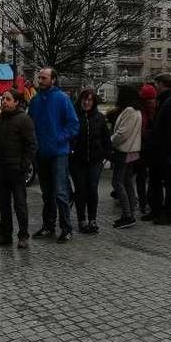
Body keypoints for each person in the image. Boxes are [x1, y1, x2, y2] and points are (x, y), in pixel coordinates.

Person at [28, 68, 79, 243]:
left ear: (53, 80)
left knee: (60, 193)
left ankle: (66, 228)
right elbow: (31, 126)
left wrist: (59, 138)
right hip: (41, 154)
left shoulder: (62, 99)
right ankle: (48, 226)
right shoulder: (34, 101)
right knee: (47, 193)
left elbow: (73, 125)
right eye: (39, 77)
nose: (40, 80)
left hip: (58, 153)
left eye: (44, 78)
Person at [0, 90, 37, 248]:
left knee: (20, 204)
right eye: (3, 99)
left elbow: (31, 145)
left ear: (16, 102)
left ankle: (23, 235)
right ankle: (5, 234)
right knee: (3, 205)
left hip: (16, 171)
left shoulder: (24, 119)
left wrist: (23, 165)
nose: (4, 101)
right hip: (1, 170)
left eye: (8, 99)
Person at [143, 73, 171, 226]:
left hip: (166, 152)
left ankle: (169, 214)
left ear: (162, 84)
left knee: (169, 184)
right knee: (155, 182)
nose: (155, 87)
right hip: (160, 150)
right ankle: (156, 210)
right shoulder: (165, 101)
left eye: (157, 84)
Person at [70, 88, 111, 234]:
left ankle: (92, 219)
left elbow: (106, 138)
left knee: (92, 189)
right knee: (80, 190)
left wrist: (105, 155)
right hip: (77, 161)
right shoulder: (74, 116)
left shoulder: (99, 117)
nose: (86, 102)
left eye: (90, 100)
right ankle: (82, 219)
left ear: (94, 102)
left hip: (95, 160)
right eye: (84, 99)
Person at [110, 85, 143, 229]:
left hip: (124, 150)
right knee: (128, 181)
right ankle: (130, 212)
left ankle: (127, 214)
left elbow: (122, 133)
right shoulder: (137, 111)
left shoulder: (129, 111)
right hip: (133, 150)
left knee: (118, 182)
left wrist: (110, 141)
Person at [136, 84, 158, 214]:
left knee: (141, 177)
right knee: (151, 177)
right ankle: (148, 201)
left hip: (142, 148)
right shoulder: (157, 109)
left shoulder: (141, 112)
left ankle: (143, 203)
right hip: (153, 149)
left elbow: (141, 131)